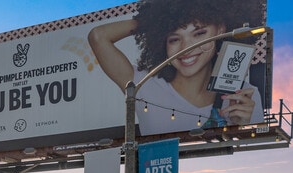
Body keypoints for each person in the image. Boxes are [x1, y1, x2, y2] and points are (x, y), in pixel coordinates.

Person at [88, 0, 266, 136]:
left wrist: (242, 125)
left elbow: (250, 158)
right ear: (162, 42)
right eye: (174, 39)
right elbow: (98, 36)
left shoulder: (243, 96)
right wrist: (153, 21)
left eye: (199, 34)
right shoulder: (143, 85)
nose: (186, 48)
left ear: (220, 30)